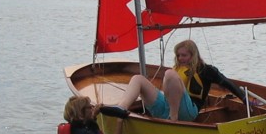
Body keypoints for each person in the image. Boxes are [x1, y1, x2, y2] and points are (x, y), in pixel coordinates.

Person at [105, 39, 246, 122]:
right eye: (178, 55)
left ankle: (173, 120)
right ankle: (121, 108)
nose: (180, 58)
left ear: (193, 55)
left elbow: (228, 84)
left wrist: (246, 100)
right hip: (165, 105)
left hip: (187, 111)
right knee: (138, 78)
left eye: (184, 55)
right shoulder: (177, 69)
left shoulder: (206, 70)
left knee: (170, 74)